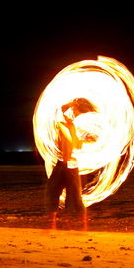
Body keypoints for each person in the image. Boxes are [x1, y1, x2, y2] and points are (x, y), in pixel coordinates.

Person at [46, 98, 97, 231]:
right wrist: (71, 103)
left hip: (71, 164)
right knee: (53, 191)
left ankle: (83, 226)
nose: (73, 113)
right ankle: (53, 225)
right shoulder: (64, 123)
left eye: (76, 110)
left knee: (74, 195)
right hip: (61, 164)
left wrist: (87, 140)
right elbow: (60, 110)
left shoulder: (73, 127)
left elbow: (76, 144)